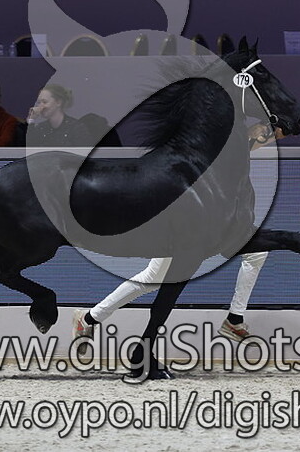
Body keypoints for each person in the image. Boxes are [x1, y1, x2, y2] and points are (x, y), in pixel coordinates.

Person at [72, 123, 282, 348]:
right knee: (152, 278)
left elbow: (240, 149)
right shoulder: (199, 139)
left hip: (205, 219)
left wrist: (270, 135)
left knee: (256, 252)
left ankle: (235, 318)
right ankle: (89, 318)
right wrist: (255, 134)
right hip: (183, 219)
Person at [26, 84, 93, 146]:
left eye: (45, 102)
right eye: (39, 102)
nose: (40, 106)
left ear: (58, 102)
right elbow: (28, 147)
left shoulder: (77, 128)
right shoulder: (41, 128)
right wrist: (31, 119)